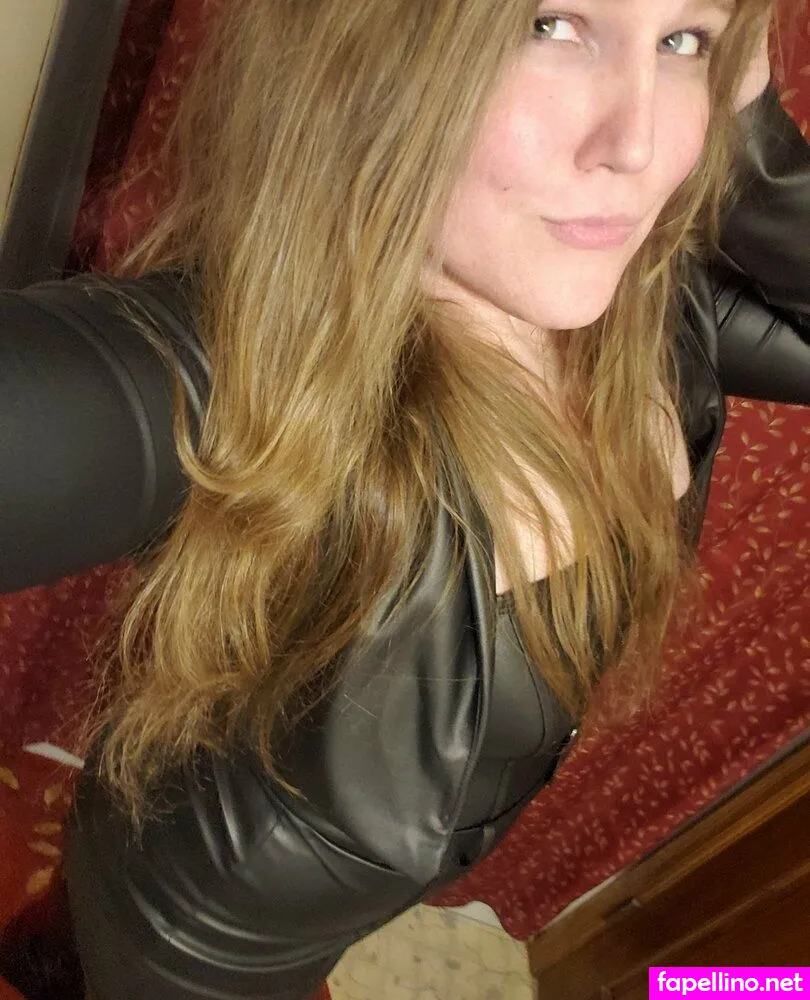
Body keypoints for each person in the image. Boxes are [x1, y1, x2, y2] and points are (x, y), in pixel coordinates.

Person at [1, 0, 808, 996]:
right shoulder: (254, 384)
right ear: (365, 49)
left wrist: (747, 118)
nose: (638, 146)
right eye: (550, 25)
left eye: (685, 41)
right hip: (204, 945)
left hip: (338, 899)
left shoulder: (654, 304)